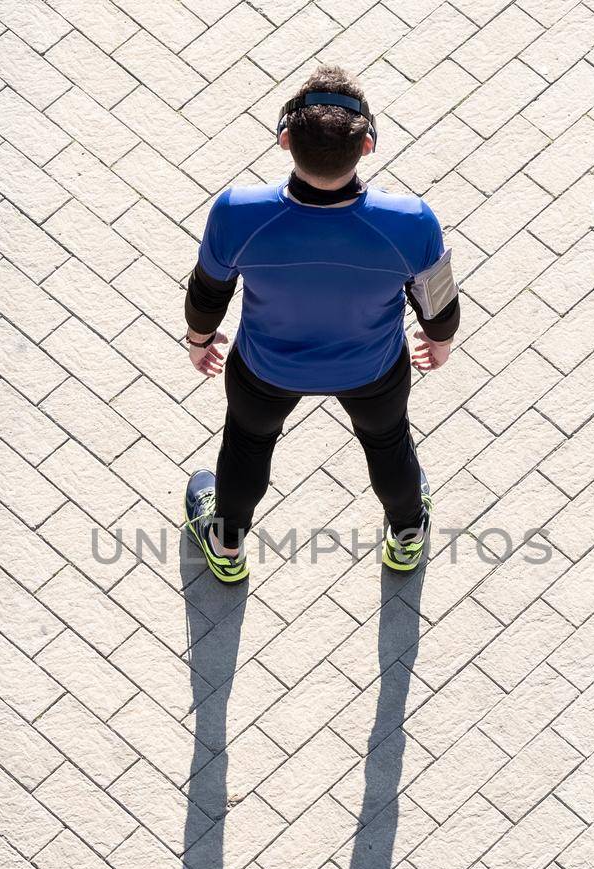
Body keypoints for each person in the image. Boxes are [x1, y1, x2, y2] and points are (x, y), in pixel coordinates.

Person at [180, 65, 460, 583]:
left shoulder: (238, 212)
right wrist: (438, 342)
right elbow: (438, 303)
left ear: (284, 139)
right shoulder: (412, 221)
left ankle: (226, 548)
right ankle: (406, 539)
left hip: (265, 370)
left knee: (247, 444)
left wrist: (199, 340)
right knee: (388, 443)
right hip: (372, 371)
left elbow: (207, 292)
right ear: (368, 144)